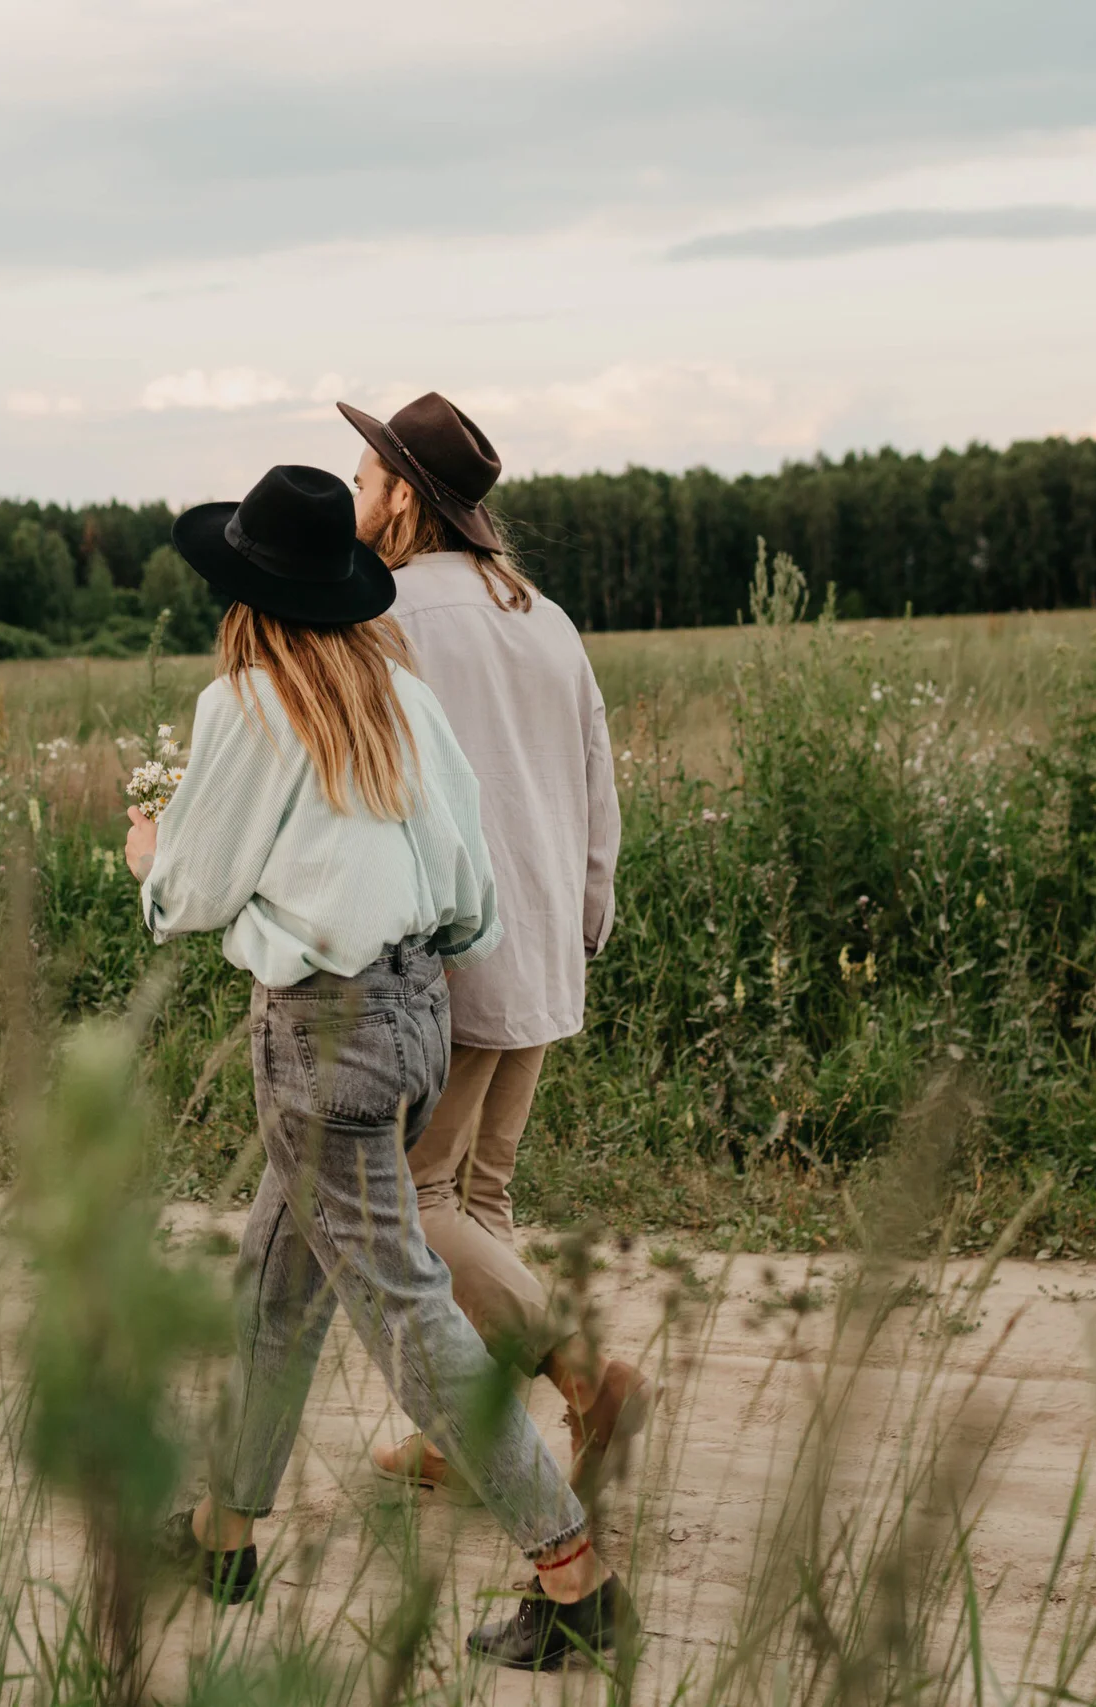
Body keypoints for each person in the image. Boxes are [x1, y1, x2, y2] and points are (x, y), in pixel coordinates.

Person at [133, 464, 627, 1669]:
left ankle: (573, 1575)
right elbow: (469, 893)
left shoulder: (244, 708)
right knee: (274, 1284)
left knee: (405, 1311)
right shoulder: (398, 698)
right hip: (415, 1013)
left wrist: (148, 850)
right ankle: (222, 1528)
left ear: (243, 594)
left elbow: (190, 897)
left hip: (317, 1034)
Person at [336, 392, 644, 1503]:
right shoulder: (541, 612)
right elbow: (596, 781)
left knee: (421, 1206)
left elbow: (367, 789)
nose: (353, 498)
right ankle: (472, 1440)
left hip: (455, 957)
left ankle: (584, 1372)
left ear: (405, 497)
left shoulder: (383, 617)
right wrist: (582, 921)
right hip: (549, 945)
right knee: (485, 1204)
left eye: (365, 482)